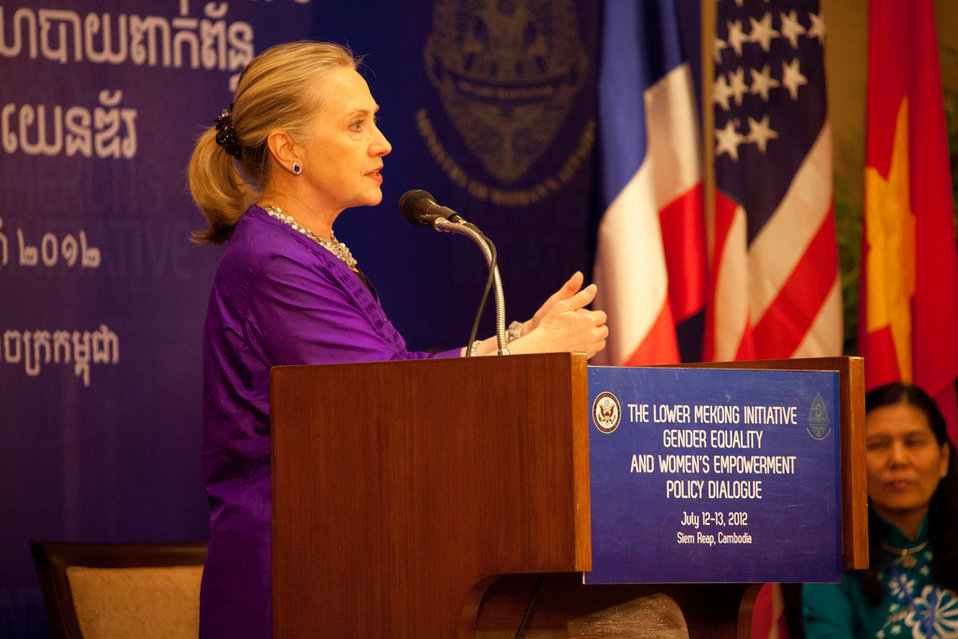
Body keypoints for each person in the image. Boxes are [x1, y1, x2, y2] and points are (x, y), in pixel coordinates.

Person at [187, 41, 608, 639]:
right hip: (292, 579)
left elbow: (392, 372)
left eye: (375, 121)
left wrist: (521, 339)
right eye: (356, 125)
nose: (382, 142)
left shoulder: (304, 249)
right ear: (288, 149)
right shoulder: (273, 264)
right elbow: (388, 398)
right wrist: (529, 354)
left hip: (348, 559)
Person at [802, 382, 958, 638]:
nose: (898, 459)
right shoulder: (833, 564)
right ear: (853, 461)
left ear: (943, 459)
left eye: (913, 442)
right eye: (877, 445)